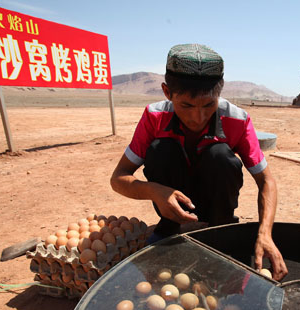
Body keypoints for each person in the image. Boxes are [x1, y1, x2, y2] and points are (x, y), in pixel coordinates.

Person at [110, 44, 288, 281]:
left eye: (208, 105)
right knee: (162, 150)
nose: (198, 117)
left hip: (217, 208)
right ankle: (171, 227)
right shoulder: (155, 117)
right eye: (186, 105)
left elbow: (267, 181)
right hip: (173, 207)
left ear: (219, 93)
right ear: (167, 92)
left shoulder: (237, 119)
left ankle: (220, 229)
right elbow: (119, 178)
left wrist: (265, 233)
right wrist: (154, 191)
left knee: (220, 156)